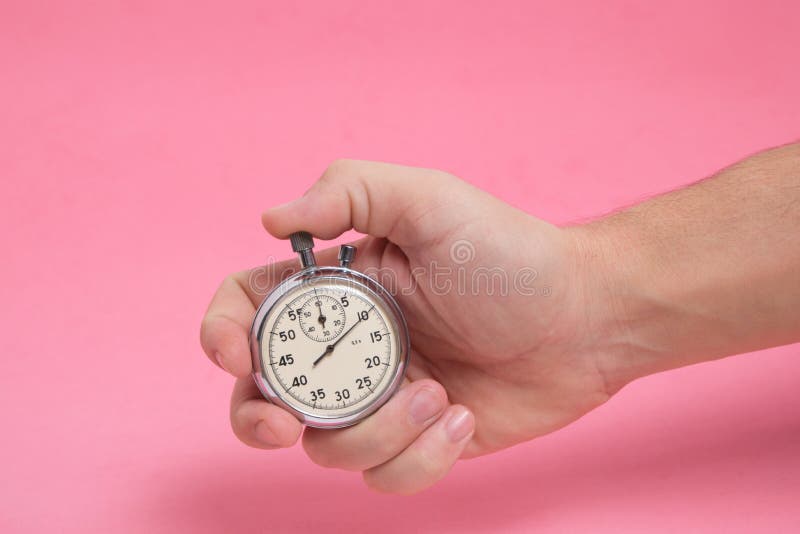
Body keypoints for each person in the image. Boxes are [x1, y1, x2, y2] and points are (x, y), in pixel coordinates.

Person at [200, 142, 800, 495]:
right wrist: (585, 306)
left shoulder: (371, 305)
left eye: (338, 338)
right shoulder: (349, 307)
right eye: (308, 346)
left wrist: (587, 305)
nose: (327, 349)